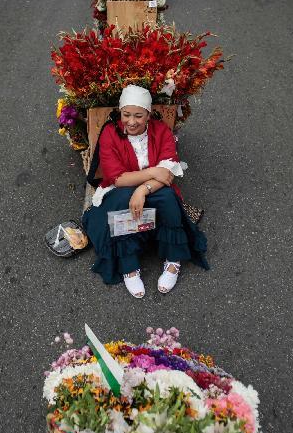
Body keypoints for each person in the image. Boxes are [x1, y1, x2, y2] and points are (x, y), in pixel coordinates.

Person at [82, 86, 209, 298]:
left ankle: (173, 260)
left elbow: (167, 174)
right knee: (123, 199)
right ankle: (129, 266)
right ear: (120, 113)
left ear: (149, 115)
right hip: (120, 189)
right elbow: (118, 178)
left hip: (154, 187)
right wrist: (152, 172)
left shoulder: (161, 131)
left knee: (168, 196)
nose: (131, 121)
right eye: (126, 115)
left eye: (138, 115)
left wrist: (142, 189)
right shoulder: (110, 134)